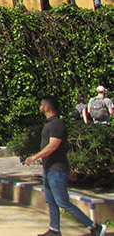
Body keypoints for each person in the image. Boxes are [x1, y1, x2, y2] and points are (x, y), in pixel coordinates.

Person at [25, 96, 106, 236]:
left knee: (63, 202)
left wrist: (35, 157)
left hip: (56, 170)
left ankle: (94, 227)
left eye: (41, 104)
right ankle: (54, 230)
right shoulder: (50, 123)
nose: (40, 106)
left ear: (47, 107)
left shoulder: (57, 124)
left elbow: (53, 146)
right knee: (51, 201)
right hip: (49, 169)